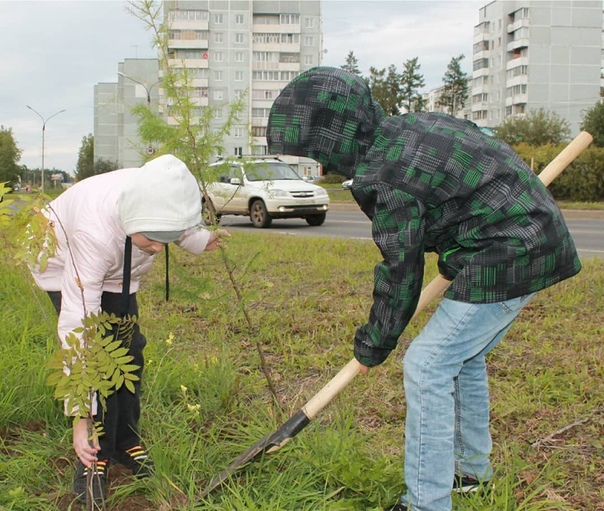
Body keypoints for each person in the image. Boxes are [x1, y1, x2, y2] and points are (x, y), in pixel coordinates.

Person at [266, 67, 581, 511]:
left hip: (510, 255)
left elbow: (401, 270)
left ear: (330, 136)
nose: (316, 161)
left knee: (427, 364)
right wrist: (459, 246)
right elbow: (468, 184)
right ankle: (471, 472)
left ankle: (426, 502)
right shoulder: (409, 127)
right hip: (530, 239)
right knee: (463, 359)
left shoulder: (384, 175)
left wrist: (375, 342)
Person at [29, 154, 228, 504]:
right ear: (133, 217)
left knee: (129, 349)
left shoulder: (159, 190)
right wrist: (81, 417)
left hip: (119, 266)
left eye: (168, 237)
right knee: (99, 353)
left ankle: (125, 440)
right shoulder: (92, 233)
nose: (159, 247)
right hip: (62, 259)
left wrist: (198, 240)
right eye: (153, 237)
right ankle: (94, 455)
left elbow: (175, 224)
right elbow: (79, 333)